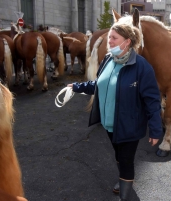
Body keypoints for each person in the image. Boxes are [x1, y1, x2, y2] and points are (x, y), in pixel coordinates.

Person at [67, 24, 162, 200]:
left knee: (126, 161)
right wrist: (77, 87)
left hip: (129, 126)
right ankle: (124, 179)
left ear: (127, 41)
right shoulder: (108, 60)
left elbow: (152, 101)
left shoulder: (142, 67)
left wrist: (156, 129)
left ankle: (125, 194)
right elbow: (98, 84)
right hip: (109, 124)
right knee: (119, 156)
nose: (109, 41)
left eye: (114, 38)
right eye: (109, 37)